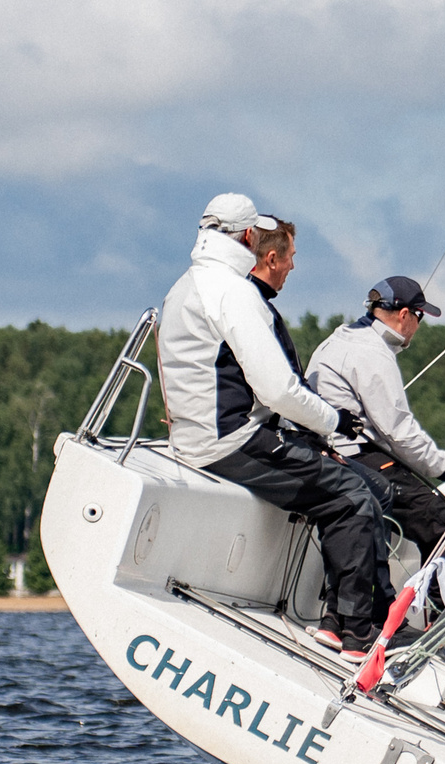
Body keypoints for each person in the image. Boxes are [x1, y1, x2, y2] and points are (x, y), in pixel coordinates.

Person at [157, 193, 394, 648]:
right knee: (350, 495)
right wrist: (335, 423)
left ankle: (338, 620)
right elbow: (278, 390)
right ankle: (357, 635)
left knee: (364, 489)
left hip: (199, 436)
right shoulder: (233, 292)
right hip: (229, 441)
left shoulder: (186, 284)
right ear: (248, 236)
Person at [307, 274, 445, 559]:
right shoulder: (372, 352)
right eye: (420, 317)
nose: (419, 326)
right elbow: (399, 434)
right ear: (405, 314)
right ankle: (444, 604)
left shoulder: (342, 337)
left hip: (329, 451)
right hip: (354, 456)